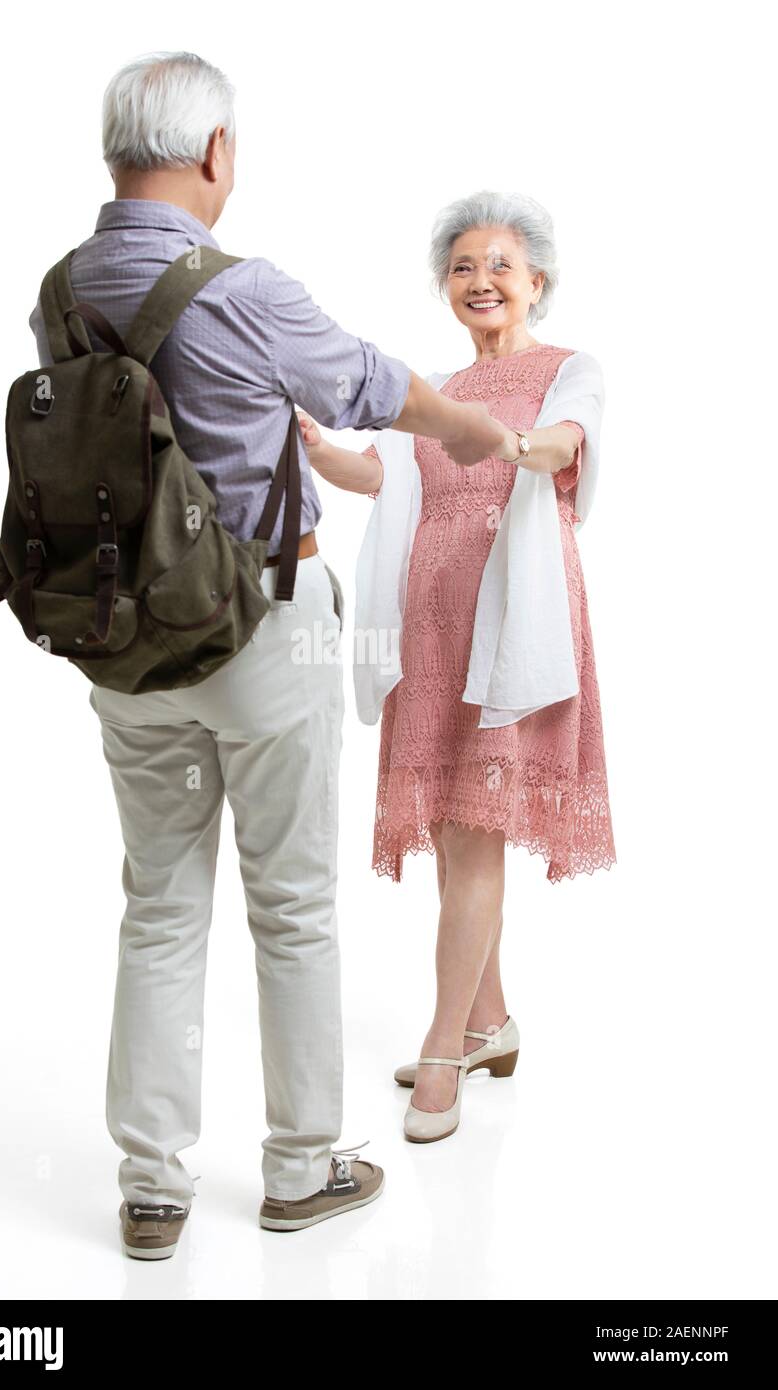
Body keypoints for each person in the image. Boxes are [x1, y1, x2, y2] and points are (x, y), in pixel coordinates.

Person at [28, 53, 509, 1256]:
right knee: (290, 908)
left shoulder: (61, 287)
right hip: (260, 633)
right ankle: (300, 1167)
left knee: (158, 907)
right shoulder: (236, 287)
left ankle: (150, 1187)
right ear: (214, 152)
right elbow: (366, 386)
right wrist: (471, 425)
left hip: (123, 645)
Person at [299, 190, 616, 1148]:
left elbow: (566, 443)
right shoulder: (432, 390)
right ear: (447, 285)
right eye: (464, 267)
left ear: (536, 283)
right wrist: (309, 440)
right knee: (449, 823)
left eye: (500, 266)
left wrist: (514, 442)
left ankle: (445, 1047)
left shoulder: (569, 370)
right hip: (432, 623)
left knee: (476, 830)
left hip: (513, 621)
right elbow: (381, 472)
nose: (481, 281)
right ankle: (490, 1021)